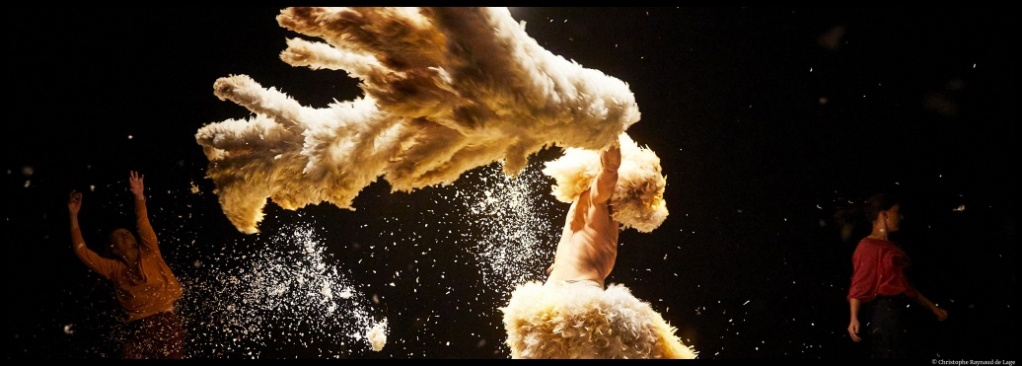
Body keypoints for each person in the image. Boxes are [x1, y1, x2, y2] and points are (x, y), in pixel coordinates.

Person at [500, 139, 696, 359]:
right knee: (654, 343)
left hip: (547, 302)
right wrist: (610, 158)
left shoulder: (580, 205)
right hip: (581, 302)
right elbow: (606, 179)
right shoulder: (597, 197)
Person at [67, 171, 185, 359]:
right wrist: (73, 216)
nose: (126, 235)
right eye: (119, 236)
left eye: (127, 232)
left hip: (165, 323)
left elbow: (142, 222)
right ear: (114, 249)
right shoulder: (114, 269)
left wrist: (139, 196)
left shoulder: (150, 251)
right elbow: (82, 251)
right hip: (138, 328)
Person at [846, 193, 948, 359]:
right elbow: (858, 285)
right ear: (883, 214)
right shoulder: (868, 246)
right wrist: (854, 319)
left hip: (900, 314)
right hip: (887, 316)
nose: (901, 216)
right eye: (896, 211)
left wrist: (934, 308)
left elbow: (906, 287)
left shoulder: (892, 246)